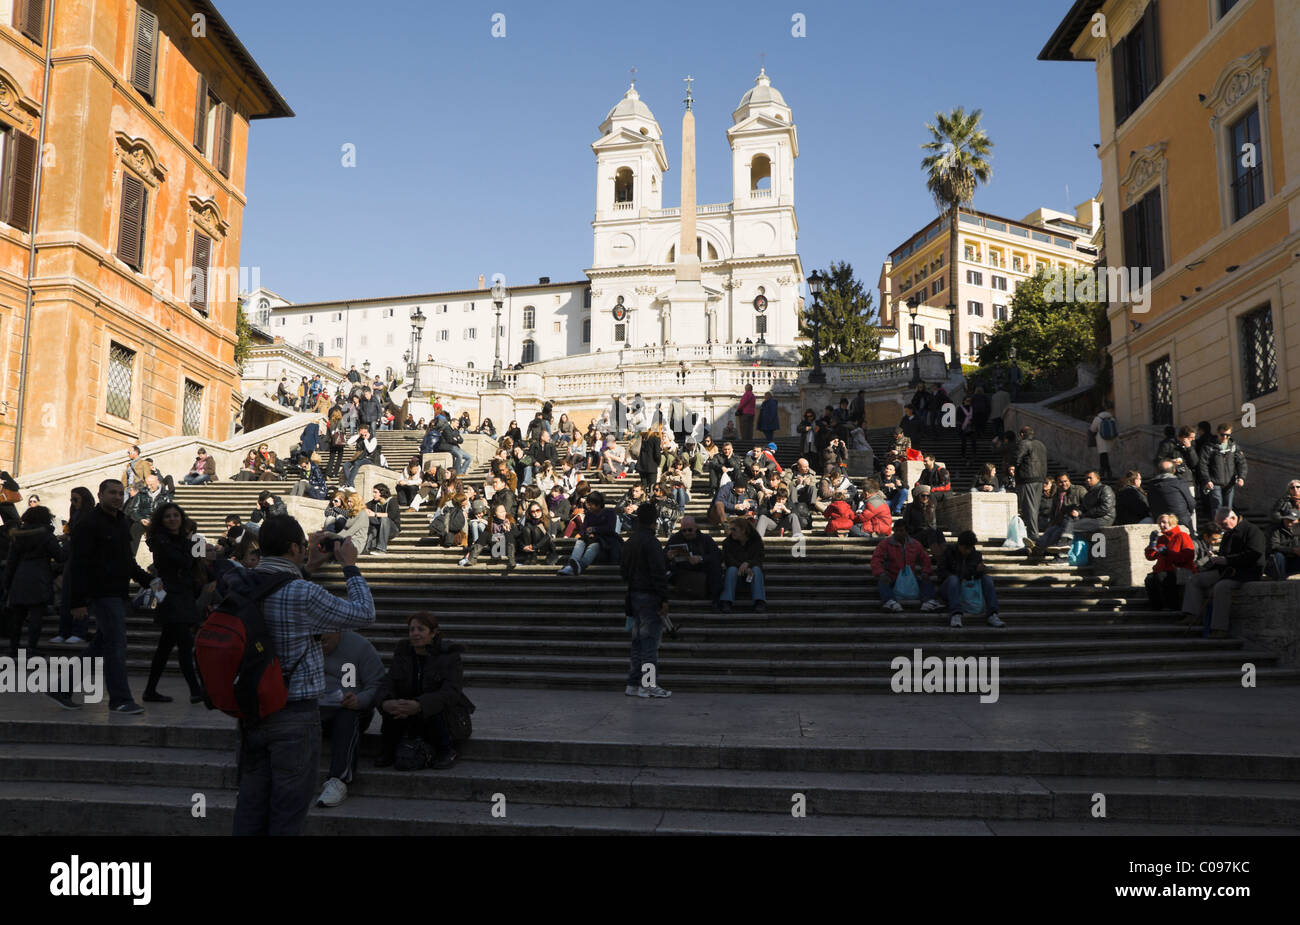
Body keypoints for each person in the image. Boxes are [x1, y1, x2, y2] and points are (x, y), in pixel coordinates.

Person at [230, 514, 376, 835]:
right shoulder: (304, 594)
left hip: (251, 711)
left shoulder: (241, 582)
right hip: (294, 713)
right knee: (288, 810)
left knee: (251, 805)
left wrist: (307, 567)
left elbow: (276, 589)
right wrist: (350, 566)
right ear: (296, 547)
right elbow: (365, 613)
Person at [65, 480, 163, 713]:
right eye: (112, 493)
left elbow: (127, 561)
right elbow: (78, 564)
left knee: (101, 644)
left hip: (117, 593)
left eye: (120, 493)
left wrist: (149, 581)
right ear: (100, 495)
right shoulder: (88, 523)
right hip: (102, 593)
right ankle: (120, 699)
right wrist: (76, 601)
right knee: (116, 645)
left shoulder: (122, 522)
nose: (117, 497)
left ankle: (61, 687)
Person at [375, 611, 473, 769]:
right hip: (409, 711)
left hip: (443, 716)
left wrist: (420, 705)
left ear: (433, 633)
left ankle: (446, 750)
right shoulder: (403, 651)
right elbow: (388, 681)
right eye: (412, 630)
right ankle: (389, 749)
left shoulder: (449, 655)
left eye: (421, 629)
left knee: (433, 704)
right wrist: (386, 701)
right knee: (395, 704)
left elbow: (451, 692)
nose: (415, 634)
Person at [142, 502, 207, 704]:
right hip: (171, 596)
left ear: (182, 518)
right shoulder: (160, 540)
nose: (172, 519)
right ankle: (196, 691)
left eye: (176, 515)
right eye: (168, 516)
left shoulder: (183, 540)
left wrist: (191, 548)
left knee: (165, 647)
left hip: (183, 594)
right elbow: (186, 561)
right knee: (184, 644)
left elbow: (197, 560)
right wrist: (190, 548)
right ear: (161, 520)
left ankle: (150, 690)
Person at [316, 629, 385, 808]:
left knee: (347, 716)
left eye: (325, 639)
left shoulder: (361, 647)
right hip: (314, 710)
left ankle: (338, 779)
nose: (321, 644)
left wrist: (359, 700)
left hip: (350, 708)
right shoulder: (304, 643)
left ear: (337, 630)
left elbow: (377, 683)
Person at [1178, 508, 1265, 638]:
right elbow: (1226, 554)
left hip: (1244, 573)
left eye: (1224, 524)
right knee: (1195, 580)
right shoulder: (1229, 533)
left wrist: (1227, 560)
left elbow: (1253, 555)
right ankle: (1192, 614)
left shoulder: (1252, 531)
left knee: (1221, 587)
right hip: (1225, 570)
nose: (1222, 528)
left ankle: (1219, 628)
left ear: (1233, 518)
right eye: (1220, 525)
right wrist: (1217, 558)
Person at [620, 503, 673, 697]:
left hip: (633, 594)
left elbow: (623, 571)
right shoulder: (652, 543)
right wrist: (664, 599)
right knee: (650, 643)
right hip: (650, 595)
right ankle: (648, 684)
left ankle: (633, 683)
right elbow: (658, 573)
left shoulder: (630, 542)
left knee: (637, 643)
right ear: (654, 520)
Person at [5, 505, 67, 656]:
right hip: (40, 576)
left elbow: (11, 561)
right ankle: (32, 647)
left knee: (18, 617)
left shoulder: (17, 535)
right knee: (36, 616)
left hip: (20, 576)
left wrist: (7, 584)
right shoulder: (46, 535)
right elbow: (60, 556)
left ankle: (14, 648)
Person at [1029, 470, 1113, 561]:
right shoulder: (1088, 492)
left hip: (1098, 519)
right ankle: (1037, 546)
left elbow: (1104, 508)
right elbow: (1083, 507)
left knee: (1062, 528)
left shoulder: (1091, 489)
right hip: (1073, 519)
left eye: (1065, 481)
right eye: (1060, 482)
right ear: (1056, 483)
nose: (1088, 480)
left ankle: (1061, 555)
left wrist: (1081, 513)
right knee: (1052, 530)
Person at [926, 530, 1003, 628]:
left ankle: (992, 614)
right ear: (959, 545)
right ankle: (956, 614)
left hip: (968, 588)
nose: (968, 551)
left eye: (970, 548)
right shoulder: (949, 553)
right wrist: (968, 573)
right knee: (953, 579)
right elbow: (941, 574)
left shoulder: (976, 555)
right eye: (965, 548)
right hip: (950, 588)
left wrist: (979, 570)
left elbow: (978, 574)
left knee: (987, 579)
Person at [52, 487, 95, 646]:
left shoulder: (89, 515)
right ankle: (64, 631)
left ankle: (79, 631)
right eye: (71, 500)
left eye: (75, 499)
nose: (73, 503)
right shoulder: (75, 514)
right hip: (72, 558)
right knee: (66, 597)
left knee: (79, 596)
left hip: (83, 559)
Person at [872, 521, 934, 612]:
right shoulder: (885, 544)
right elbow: (876, 560)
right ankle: (890, 601)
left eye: (901, 531)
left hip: (910, 577)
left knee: (926, 579)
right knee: (882, 581)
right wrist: (881, 573)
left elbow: (925, 559)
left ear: (906, 531)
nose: (898, 533)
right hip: (892, 576)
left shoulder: (915, 544)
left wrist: (925, 571)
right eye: (896, 531)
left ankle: (928, 602)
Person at [557, 491, 619, 576]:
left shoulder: (610, 512)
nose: (588, 506)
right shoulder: (589, 514)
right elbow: (583, 529)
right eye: (588, 504)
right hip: (589, 538)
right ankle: (570, 565)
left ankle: (580, 566)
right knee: (579, 542)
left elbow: (610, 529)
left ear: (598, 504)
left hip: (605, 540)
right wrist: (587, 533)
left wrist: (594, 530)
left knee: (594, 545)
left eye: (590, 504)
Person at [665, 516, 722, 606]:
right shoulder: (675, 539)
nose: (687, 533)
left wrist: (701, 558)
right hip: (681, 570)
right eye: (684, 530)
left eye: (690, 530)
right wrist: (668, 556)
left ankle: (715, 598)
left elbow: (717, 554)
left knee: (715, 566)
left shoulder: (705, 539)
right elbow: (663, 556)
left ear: (695, 528)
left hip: (702, 569)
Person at [1144, 513, 1195, 611]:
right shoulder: (1162, 538)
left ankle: (1171, 606)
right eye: (1160, 523)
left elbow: (1189, 556)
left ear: (1172, 523)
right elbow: (1151, 556)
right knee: (1150, 579)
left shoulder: (1182, 536)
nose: (1161, 525)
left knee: (1163, 577)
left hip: (1178, 570)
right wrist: (1151, 544)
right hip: (1162, 570)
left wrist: (1169, 553)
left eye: (1164, 522)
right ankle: (1157, 607)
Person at [1196, 424, 1247, 522]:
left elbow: (1241, 462)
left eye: (1227, 435)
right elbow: (1203, 464)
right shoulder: (1209, 446)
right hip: (1214, 482)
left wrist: (1241, 477)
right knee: (1217, 506)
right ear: (1217, 433)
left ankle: (1228, 528)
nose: (1225, 437)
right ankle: (1218, 528)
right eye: (1222, 435)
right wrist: (1207, 480)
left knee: (1228, 508)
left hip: (1229, 482)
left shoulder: (1233, 446)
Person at [719, 516, 766, 613]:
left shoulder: (756, 541)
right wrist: (742, 566)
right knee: (731, 569)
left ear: (743, 530)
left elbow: (759, 558)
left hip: (752, 576)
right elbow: (728, 560)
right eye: (730, 529)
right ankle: (726, 601)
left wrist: (748, 564)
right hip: (736, 576)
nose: (731, 531)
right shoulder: (728, 543)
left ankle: (759, 601)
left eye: (734, 529)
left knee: (756, 569)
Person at [1014, 427, 1048, 542]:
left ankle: (1033, 536)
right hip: (1040, 478)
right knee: (1034, 507)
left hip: (1027, 478)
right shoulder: (1041, 445)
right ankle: (1033, 533)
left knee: (1029, 508)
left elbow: (1016, 459)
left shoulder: (1024, 443)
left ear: (1022, 434)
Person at [459, 501, 515, 569]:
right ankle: (472, 558)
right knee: (486, 534)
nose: (504, 514)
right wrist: (470, 552)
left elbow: (516, 536)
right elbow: (481, 538)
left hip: (507, 548)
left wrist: (508, 531)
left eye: (504, 511)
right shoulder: (491, 524)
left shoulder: (510, 521)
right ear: (494, 514)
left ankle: (511, 560)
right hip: (495, 548)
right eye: (500, 512)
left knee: (509, 535)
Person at [1147, 459, 1196, 528]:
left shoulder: (1151, 485)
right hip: (1181, 520)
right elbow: (1191, 503)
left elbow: (1150, 503)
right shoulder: (1179, 483)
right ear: (1174, 470)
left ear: (1158, 471)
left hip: (1161, 522)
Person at [1265, 505, 1300, 580]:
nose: (1290, 523)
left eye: (1292, 521)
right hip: (1278, 561)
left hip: (1294, 560)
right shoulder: (1275, 529)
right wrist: (1293, 550)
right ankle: (1281, 579)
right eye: (1288, 520)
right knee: (1278, 556)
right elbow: (1274, 546)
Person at [366, 485, 402, 554]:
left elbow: (391, 515)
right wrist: (366, 510)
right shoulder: (374, 502)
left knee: (384, 519)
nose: (373, 495)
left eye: (375, 492)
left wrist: (375, 514)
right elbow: (362, 507)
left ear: (382, 492)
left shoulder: (392, 501)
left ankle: (381, 549)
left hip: (393, 530)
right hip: (379, 530)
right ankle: (369, 547)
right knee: (369, 518)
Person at [1089, 403, 1118, 480]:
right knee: (1107, 456)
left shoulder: (1098, 418)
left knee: (1103, 456)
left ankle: (1104, 471)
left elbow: (1092, 429)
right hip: (1111, 439)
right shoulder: (1111, 418)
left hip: (1101, 439)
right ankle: (1108, 471)